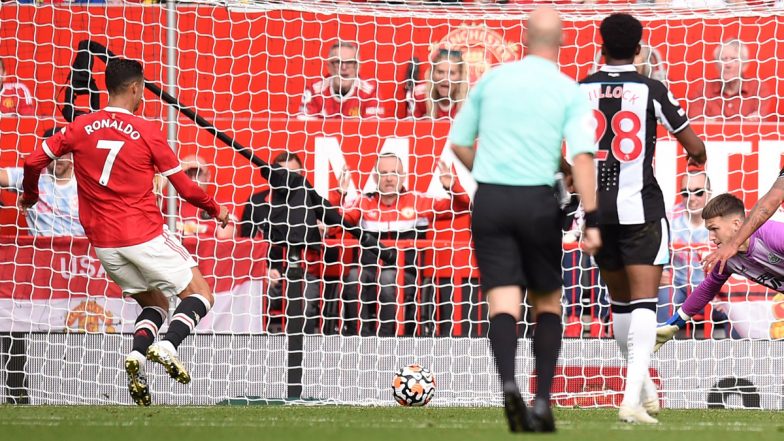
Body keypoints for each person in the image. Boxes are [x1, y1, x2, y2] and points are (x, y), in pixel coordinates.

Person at [19, 58, 230, 407]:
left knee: (156, 303)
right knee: (202, 294)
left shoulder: (80, 126)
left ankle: (137, 355)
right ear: (136, 88)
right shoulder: (148, 131)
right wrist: (216, 208)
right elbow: (186, 189)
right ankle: (167, 346)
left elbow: (31, 162)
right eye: (143, 88)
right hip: (143, 233)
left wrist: (30, 195)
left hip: (104, 245)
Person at [450, 7, 601, 433]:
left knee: (502, 300)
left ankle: (508, 385)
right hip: (537, 201)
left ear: (522, 36)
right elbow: (583, 158)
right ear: (562, 40)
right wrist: (592, 216)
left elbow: (459, 143)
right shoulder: (566, 89)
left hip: (492, 199)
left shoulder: (493, 80)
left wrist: (492, 172)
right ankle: (542, 399)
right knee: (547, 302)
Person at [579, 13, 706, 424]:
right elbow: (695, 146)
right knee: (645, 305)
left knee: (619, 306)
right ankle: (630, 401)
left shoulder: (579, 91)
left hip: (598, 211)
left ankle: (642, 390)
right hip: (642, 211)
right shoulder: (651, 89)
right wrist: (696, 157)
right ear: (639, 49)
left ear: (600, 45)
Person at [331, 152, 470, 337]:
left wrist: (452, 187)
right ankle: (360, 338)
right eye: (383, 173)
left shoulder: (419, 201)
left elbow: (463, 207)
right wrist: (339, 193)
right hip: (369, 272)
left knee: (388, 278)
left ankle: (387, 338)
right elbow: (334, 225)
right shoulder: (362, 202)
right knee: (353, 276)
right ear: (374, 177)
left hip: (405, 274)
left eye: (395, 173)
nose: (389, 178)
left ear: (403, 176)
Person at [656, 193, 784, 348]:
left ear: (737, 224)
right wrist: (673, 325)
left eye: (714, 229)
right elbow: (706, 290)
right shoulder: (728, 259)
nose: (711, 237)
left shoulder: (772, 234)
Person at [240, 151, 324, 334]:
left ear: (302, 175)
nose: (288, 179)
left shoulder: (313, 203)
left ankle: (305, 355)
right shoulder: (256, 203)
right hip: (265, 275)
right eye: (282, 174)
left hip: (304, 273)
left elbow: (328, 251)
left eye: (293, 174)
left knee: (306, 306)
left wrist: (320, 232)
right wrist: (262, 270)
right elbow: (246, 245)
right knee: (251, 302)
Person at [0, 127, 84, 236]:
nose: (58, 158)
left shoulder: (85, 182)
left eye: (63, 152)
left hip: (78, 250)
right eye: (53, 153)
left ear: (72, 153)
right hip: (42, 250)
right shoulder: (31, 177)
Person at [658, 171, 711, 324]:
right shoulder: (669, 218)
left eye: (698, 192)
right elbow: (653, 248)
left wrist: (724, 293)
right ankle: (660, 345)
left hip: (711, 291)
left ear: (709, 193)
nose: (692, 199)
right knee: (664, 297)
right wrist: (662, 271)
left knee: (734, 307)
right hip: (678, 288)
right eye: (686, 193)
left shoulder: (720, 219)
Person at [687, 39, 774, 121]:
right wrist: (744, 121)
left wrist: (714, 121)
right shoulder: (703, 90)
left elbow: (758, 124)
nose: (728, 64)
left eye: (734, 59)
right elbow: (696, 123)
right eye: (723, 59)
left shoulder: (759, 89)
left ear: (745, 65)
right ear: (716, 64)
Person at [299, 41, 384, 119]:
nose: (343, 67)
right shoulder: (314, 90)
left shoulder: (370, 92)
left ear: (358, 67)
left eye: (349, 62)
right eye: (338, 62)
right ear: (329, 67)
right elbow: (304, 128)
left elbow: (372, 131)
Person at [175, 155, 235, 239]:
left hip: (209, 252)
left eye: (198, 173)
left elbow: (224, 242)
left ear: (208, 176)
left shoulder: (223, 205)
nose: (193, 179)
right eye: (187, 174)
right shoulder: (167, 204)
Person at [408, 49, 467, 119]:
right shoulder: (418, 97)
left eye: (452, 73)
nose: (445, 78)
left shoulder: (470, 100)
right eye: (440, 72)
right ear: (432, 74)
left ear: (460, 76)